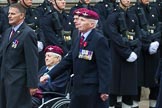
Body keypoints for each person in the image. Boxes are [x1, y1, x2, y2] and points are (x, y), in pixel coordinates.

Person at [40, 9, 111, 108]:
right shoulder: (78, 38)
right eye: (78, 19)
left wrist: (104, 89)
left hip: (92, 89)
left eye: (82, 20)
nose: (77, 22)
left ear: (92, 24)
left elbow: (105, 67)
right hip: (78, 87)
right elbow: (67, 60)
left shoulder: (99, 40)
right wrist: (49, 75)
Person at [103, 0, 142, 107]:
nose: (127, 1)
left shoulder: (133, 16)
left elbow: (139, 36)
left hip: (131, 57)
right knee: (113, 91)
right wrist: (127, 53)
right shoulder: (113, 16)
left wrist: (136, 52)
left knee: (128, 91)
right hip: (117, 56)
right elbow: (114, 37)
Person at [0, 3, 38, 108]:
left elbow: (32, 61)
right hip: (4, 80)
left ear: (21, 16)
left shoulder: (28, 33)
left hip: (19, 82)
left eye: (13, 14)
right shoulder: (7, 32)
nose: (9, 16)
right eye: (9, 13)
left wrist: (33, 84)